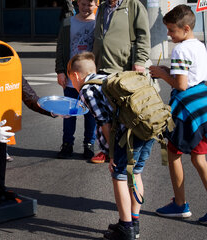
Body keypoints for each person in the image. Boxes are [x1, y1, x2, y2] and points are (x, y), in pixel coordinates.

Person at [67, 52, 154, 239]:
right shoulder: (108, 78)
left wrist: (112, 153)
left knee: (120, 176)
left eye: (70, 80)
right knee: (135, 172)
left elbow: (104, 122)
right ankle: (134, 222)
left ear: (75, 76)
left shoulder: (87, 90)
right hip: (147, 129)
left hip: (126, 136)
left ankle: (126, 227)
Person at [149, 4, 207, 225]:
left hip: (187, 108)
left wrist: (162, 74)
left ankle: (180, 204)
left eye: (171, 30)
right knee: (199, 157)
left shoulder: (180, 50)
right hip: (203, 103)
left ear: (185, 29)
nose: (168, 34)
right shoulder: (198, 45)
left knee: (173, 154)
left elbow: (181, 85)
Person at [91, 0, 150, 163]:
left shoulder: (134, 5)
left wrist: (140, 61)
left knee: (124, 113)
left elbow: (143, 36)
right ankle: (105, 149)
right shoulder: (102, 7)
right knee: (102, 113)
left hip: (123, 68)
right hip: (102, 67)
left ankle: (126, 149)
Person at [55, 0, 98, 161]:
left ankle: (89, 144)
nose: (86, 8)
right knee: (69, 112)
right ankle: (67, 144)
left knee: (91, 114)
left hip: (90, 78)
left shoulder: (98, 23)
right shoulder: (68, 22)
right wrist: (60, 71)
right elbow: (60, 47)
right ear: (77, 3)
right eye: (83, 4)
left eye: (90, 5)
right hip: (71, 77)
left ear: (96, 5)